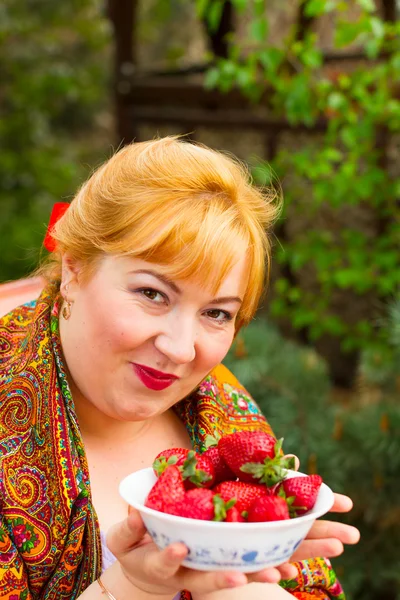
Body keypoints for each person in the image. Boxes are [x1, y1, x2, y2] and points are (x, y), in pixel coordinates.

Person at [0, 137, 359, 600]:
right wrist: (131, 586)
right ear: (73, 269)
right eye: (153, 294)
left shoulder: (222, 409)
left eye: (217, 313)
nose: (181, 350)